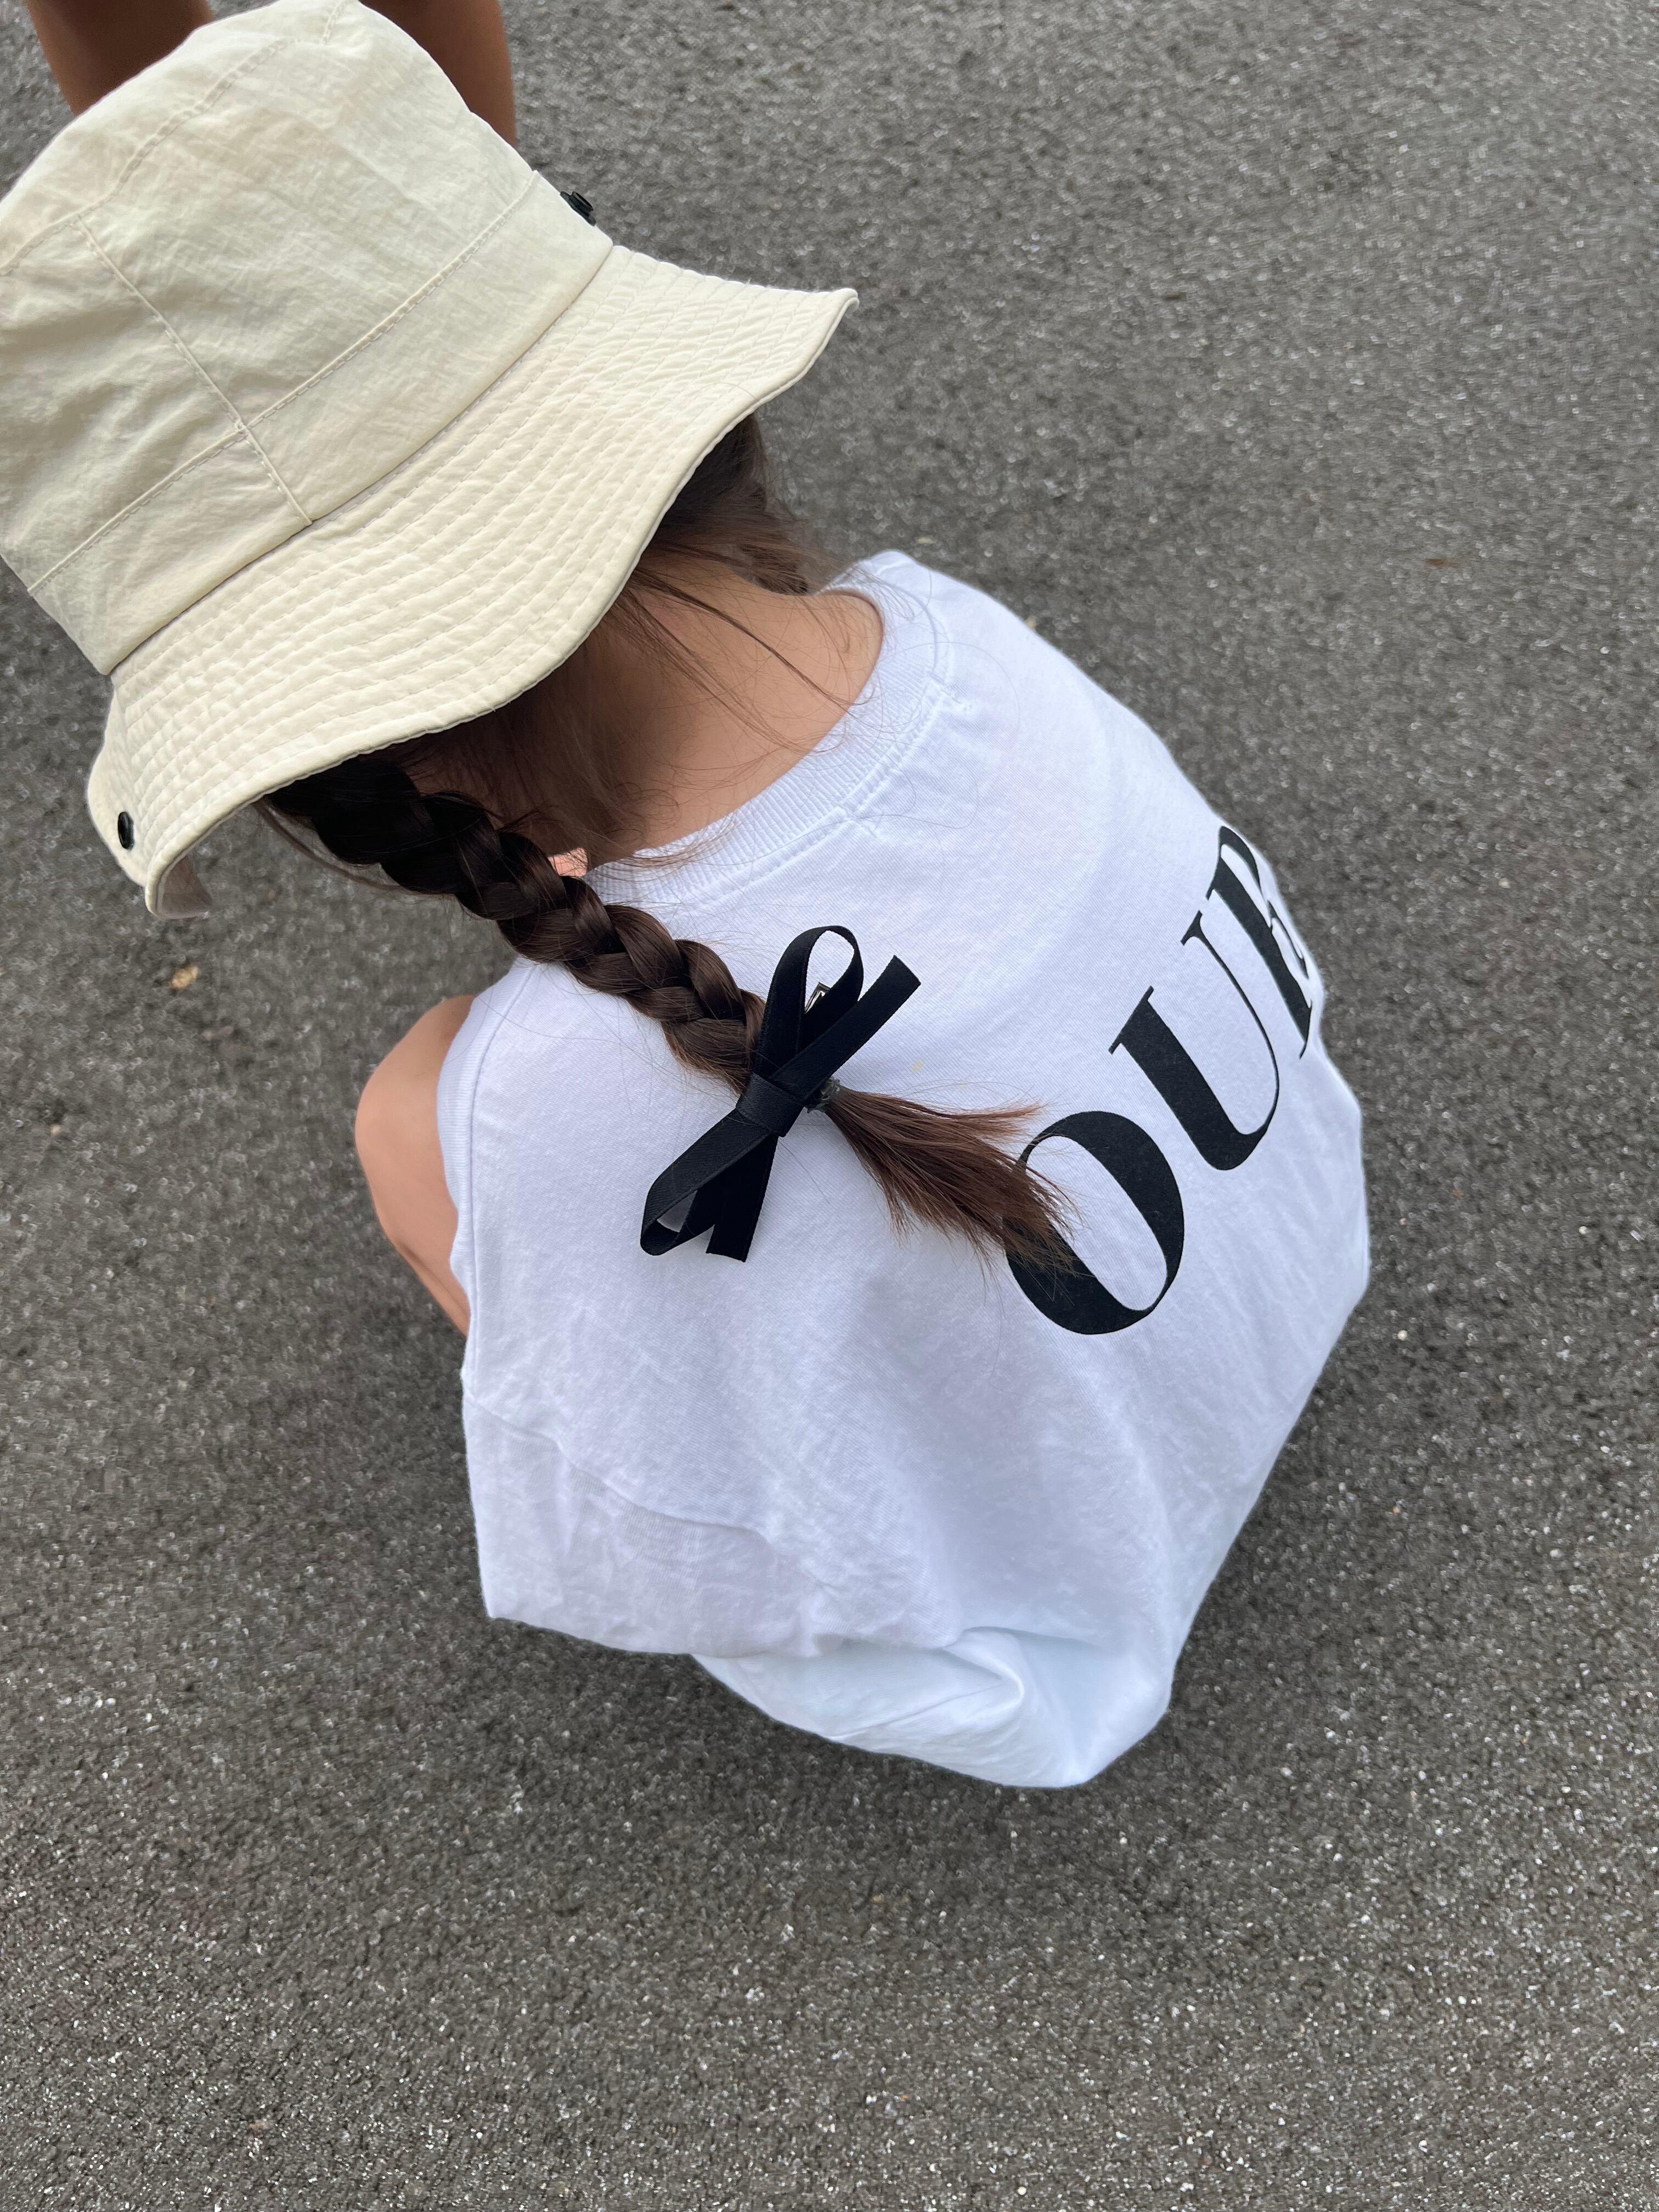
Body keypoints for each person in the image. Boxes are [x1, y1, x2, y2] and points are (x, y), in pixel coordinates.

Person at [1, 0, 1368, 1787]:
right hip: (1295, 1275)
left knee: (419, 1116)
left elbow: (652, 1462)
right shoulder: (953, 634)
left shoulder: (530, 1107)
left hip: (1014, 1665)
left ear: (350, 753)